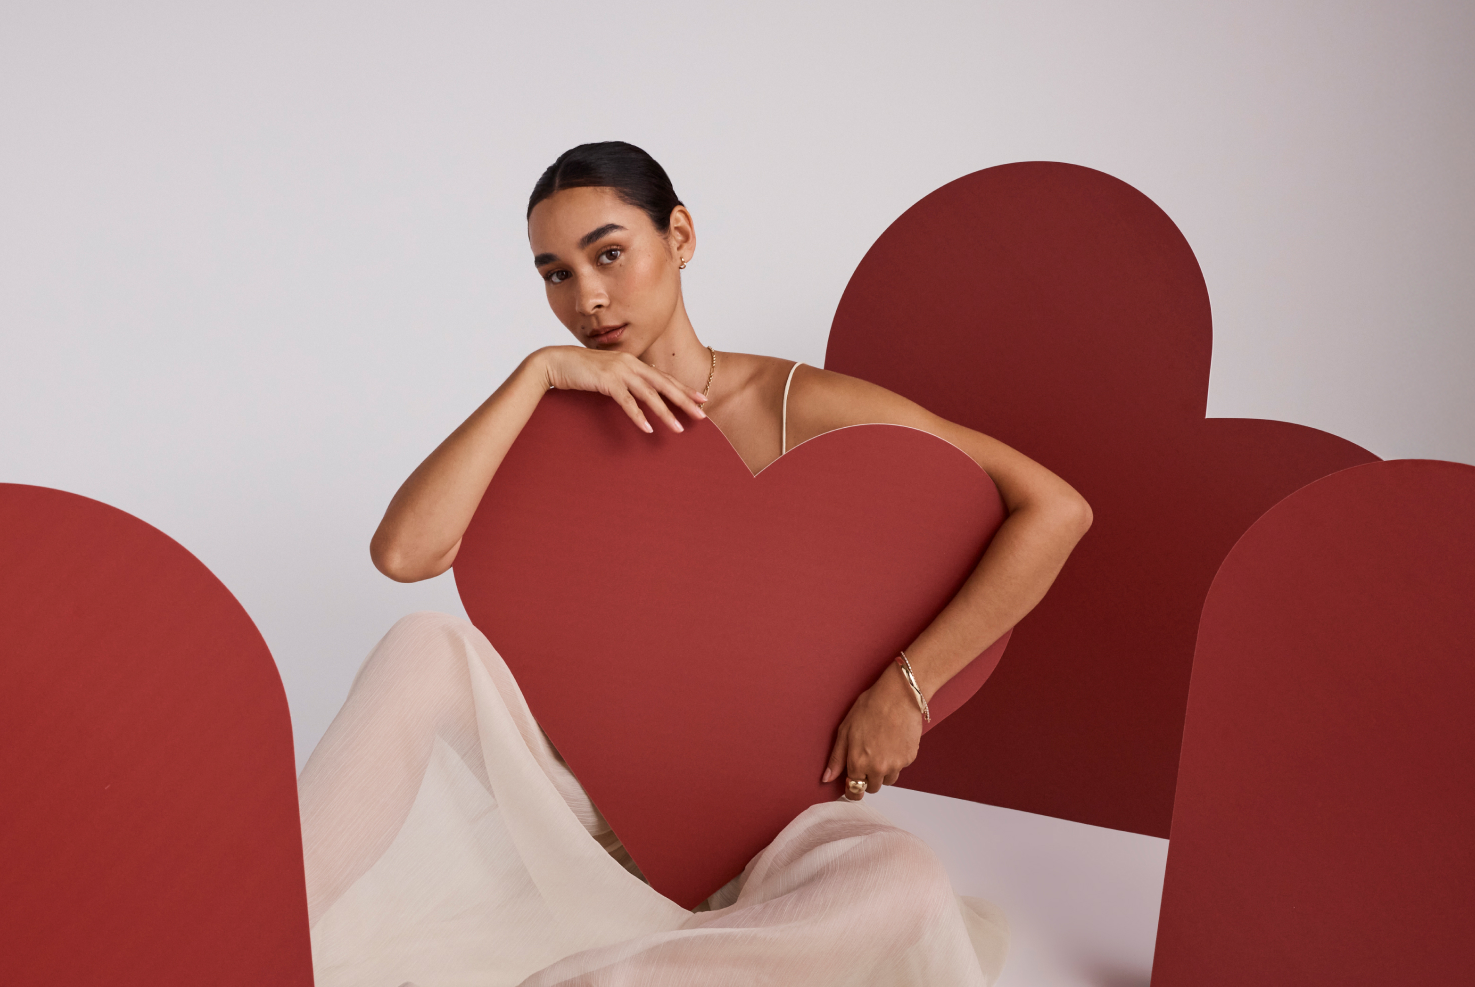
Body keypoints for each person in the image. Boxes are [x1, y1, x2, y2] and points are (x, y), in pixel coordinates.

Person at [300, 142, 1093, 986]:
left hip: (775, 814)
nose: (588, 298)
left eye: (609, 254)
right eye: (555, 273)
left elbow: (1054, 508)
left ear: (678, 236)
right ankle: (266, 918)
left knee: (905, 884)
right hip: (580, 807)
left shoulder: (797, 405)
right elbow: (405, 555)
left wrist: (906, 686)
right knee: (425, 643)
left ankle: (611, 978)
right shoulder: (550, 416)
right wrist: (536, 374)